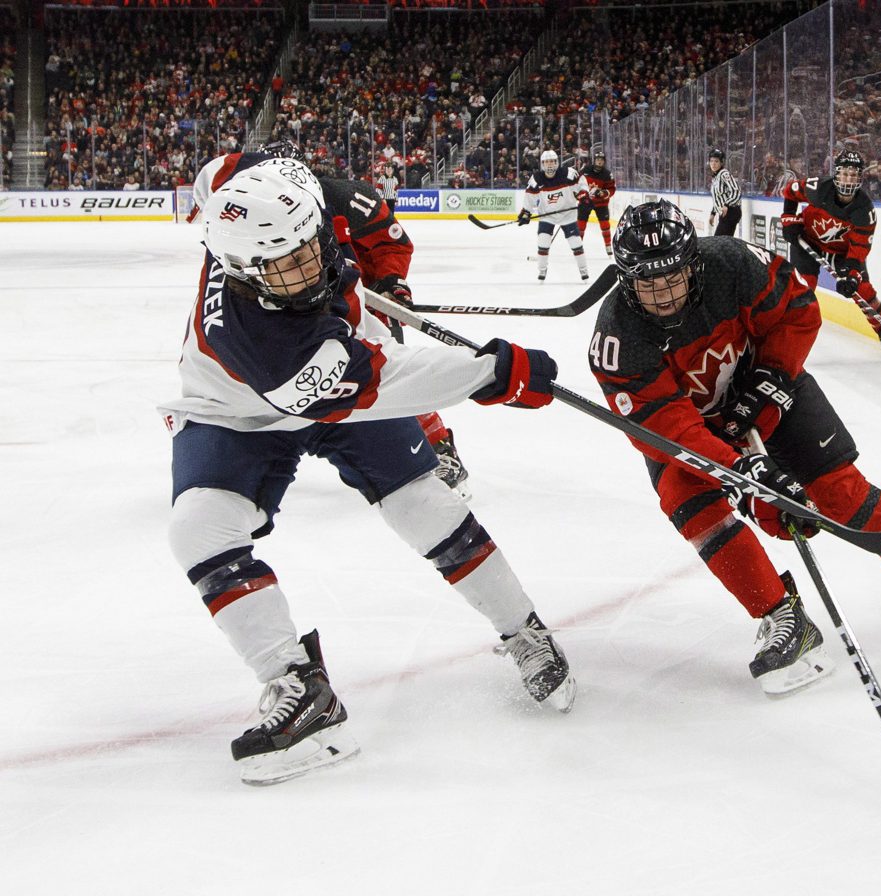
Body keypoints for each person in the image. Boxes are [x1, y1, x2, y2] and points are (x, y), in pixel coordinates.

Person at [160, 159, 576, 785]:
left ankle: (524, 629)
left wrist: (381, 287)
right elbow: (373, 386)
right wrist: (490, 373)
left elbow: (216, 172)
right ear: (244, 271)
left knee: (425, 505)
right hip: (240, 408)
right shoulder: (257, 337)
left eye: (312, 248)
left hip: (334, 365)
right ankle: (300, 689)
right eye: (285, 265)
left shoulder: (258, 189)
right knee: (199, 529)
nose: (308, 269)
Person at [587, 200, 881, 696]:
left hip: (771, 390)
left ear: (692, 262)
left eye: (672, 276)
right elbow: (671, 432)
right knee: (691, 506)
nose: (663, 293)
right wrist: (745, 479)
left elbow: (800, 312)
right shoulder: (617, 340)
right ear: (626, 279)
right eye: (647, 283)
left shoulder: (733, 264)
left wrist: (770, 382)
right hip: (697, 429)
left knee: (841, 495)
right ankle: (783, 618)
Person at [188, 142, 472, 500]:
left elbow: (392, 244)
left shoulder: (348, 197)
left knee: (391, 375)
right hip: (299, 307)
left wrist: (391, 283)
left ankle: (438, 448)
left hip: (359, 303)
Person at [780, 149, 881, 358]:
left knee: (863, 291)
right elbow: (789, 192)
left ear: (861, 178)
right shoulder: (818, 187)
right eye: (845, 173)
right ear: (836, 174)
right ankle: (786, 334)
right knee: (803, 288)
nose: (849, 179)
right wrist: (788, 218)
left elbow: (858, 253)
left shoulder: (864, 211)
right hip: (808, 241)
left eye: (854, 175)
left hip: (841, 253)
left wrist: (853, 278)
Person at [517, 149, 589, 282]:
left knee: (576, 244)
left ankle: (584, 271)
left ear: (557, 162)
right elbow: (530, 197)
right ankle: (542, 271)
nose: (549, 164)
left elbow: (582, 182)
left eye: (552, 161)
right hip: (547, 216)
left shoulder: (568, 173)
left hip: (568, 215)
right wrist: (526, 212)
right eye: (546, 162)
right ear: (542, 164)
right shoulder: (537, 178)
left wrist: (584, 194)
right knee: (543, 242)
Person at [575, 149, 617, 256]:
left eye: (601, 160)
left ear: (604, 161)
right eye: (598, 159)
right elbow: (577, 182)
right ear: (594, 160)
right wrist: (580, 194)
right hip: (585, 202)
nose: (599, 162)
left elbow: (612, 189)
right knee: (580, 224)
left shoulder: (607, 174)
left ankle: (608, 245)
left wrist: (603, 193)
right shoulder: (586, 169)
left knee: (605, 225)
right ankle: (578, 246)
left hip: (601, 204)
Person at [707, 148, 742, 236]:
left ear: (721, 162)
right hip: (725, 214)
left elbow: (736, 191)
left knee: (720, 243)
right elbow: (718, 198)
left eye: (716, 161)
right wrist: (713, 213)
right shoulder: (715, 177)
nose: (713, 164)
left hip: (731, 212)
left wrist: (727, 204)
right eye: (711, 161)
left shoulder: (724, 174)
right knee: (721, 242)